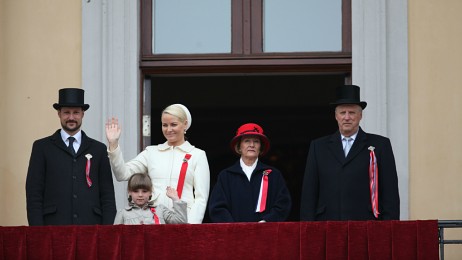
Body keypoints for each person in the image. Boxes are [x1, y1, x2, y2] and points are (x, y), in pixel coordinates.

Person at [300, 85, 400, 221]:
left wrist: (389, 229)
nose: (347, 117)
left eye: (352, 112)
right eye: (342, 112)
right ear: (336, 116)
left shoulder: (380, 145)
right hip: (327, 225)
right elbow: (309, 194)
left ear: (360, 116)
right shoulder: (318, 147)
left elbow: (390, 193)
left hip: (367, 225)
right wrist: (308, 229)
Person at [105, 104, 210, 224]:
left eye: (173, 124)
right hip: (154, 222)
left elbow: (201, 198)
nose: (168, 129)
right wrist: (113, 145)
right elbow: (122, 174)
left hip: (183, 221)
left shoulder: (197, 155)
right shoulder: (151, 152)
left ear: (185, 124)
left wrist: (191, 226)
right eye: (165, 125)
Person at [26, 88, 117, 225]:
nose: (71, 117)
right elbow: (34, 194)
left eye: (76, 112)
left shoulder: (98, 149)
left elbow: (107, 195)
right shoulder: (42, 147)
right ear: (59, 114)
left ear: (82, 114)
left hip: (91, 228)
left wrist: (106, 231)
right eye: (66, 112)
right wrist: (38, 232)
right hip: (53, 227)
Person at [208, 123, 291, 222]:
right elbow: (217, 208)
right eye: (247, 141)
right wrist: (233, 228)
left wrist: (267, 222)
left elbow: (283, 204)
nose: (252, 145)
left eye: (256, 141)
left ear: (260, 147)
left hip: (267, 233)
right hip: (234, 235)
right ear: (239, 147)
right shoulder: (225, 176)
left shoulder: (274, 175)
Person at [114, 173, 187, 224]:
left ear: (150, 192)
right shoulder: (123, 213)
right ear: (129, 192)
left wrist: (176, 199)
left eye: (144, 191)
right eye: (136, 191)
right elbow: (115, 237)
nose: (140, 195)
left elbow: (181, 222)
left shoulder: (160, 210)